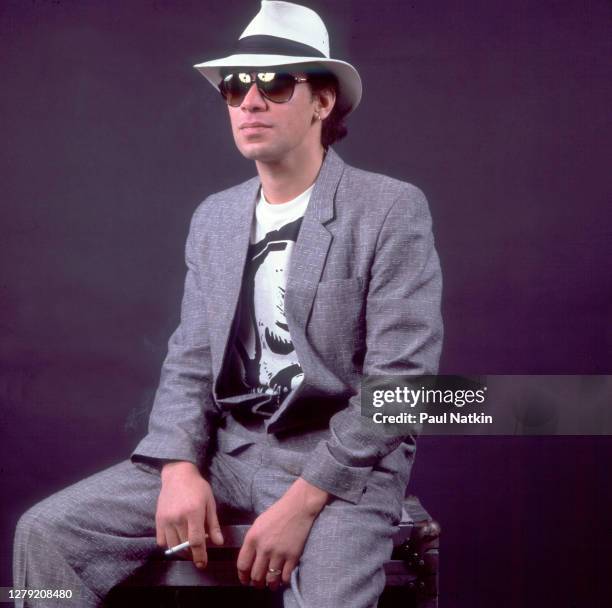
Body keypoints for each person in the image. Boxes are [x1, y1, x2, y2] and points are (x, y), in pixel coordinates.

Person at [13, 1, 443, 606]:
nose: (249, 101)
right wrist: (178, 466)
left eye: (274, 83)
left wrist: (303, 500)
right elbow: (189, 360)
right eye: (236, 86)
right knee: (47, 535)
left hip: (344, 468)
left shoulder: (390, 209)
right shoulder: (214, 218)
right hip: (228, 453)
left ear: (323, 102)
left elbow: (403, 385)